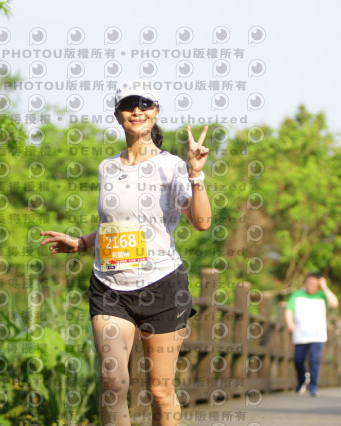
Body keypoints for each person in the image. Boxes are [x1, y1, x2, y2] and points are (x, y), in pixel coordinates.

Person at [40, 79, 212, 426]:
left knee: (160, 390)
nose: (137, 111)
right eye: (129, 105)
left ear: (156, 112)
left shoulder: (172, 166)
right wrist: (82, 243)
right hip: (110, 287)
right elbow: (117, 225)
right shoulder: (107, 168)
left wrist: (196, 174)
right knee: (112, 383)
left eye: (145, 104)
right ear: (118, 114)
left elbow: (202, 222)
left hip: (162, 285)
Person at [284, 272, 339, 397]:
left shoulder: (322, 295)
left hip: (317, 335)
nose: (311, 285)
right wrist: (289, 322)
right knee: (298, 360)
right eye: (309, 282)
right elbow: (289, 309)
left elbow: (334, 303)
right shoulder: (297, 295)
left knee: (314, 360)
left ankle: (313, 387)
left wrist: (325, 287)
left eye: (315, 283)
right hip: (300, 334)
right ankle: (302, 381)